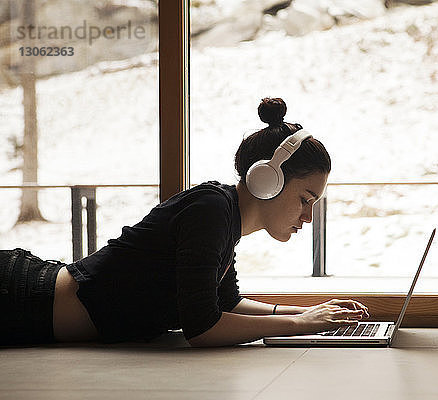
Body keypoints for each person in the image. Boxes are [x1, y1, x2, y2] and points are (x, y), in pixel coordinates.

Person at [1, 97, 370, 347]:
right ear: (267, 180)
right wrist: (301, 324)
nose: (307, 217)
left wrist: (310, 313)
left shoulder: (226, 219)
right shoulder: (210, 208)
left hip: (32, 304)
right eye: (305, 200)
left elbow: (227, 303)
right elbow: (202, 326)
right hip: (19, 299)